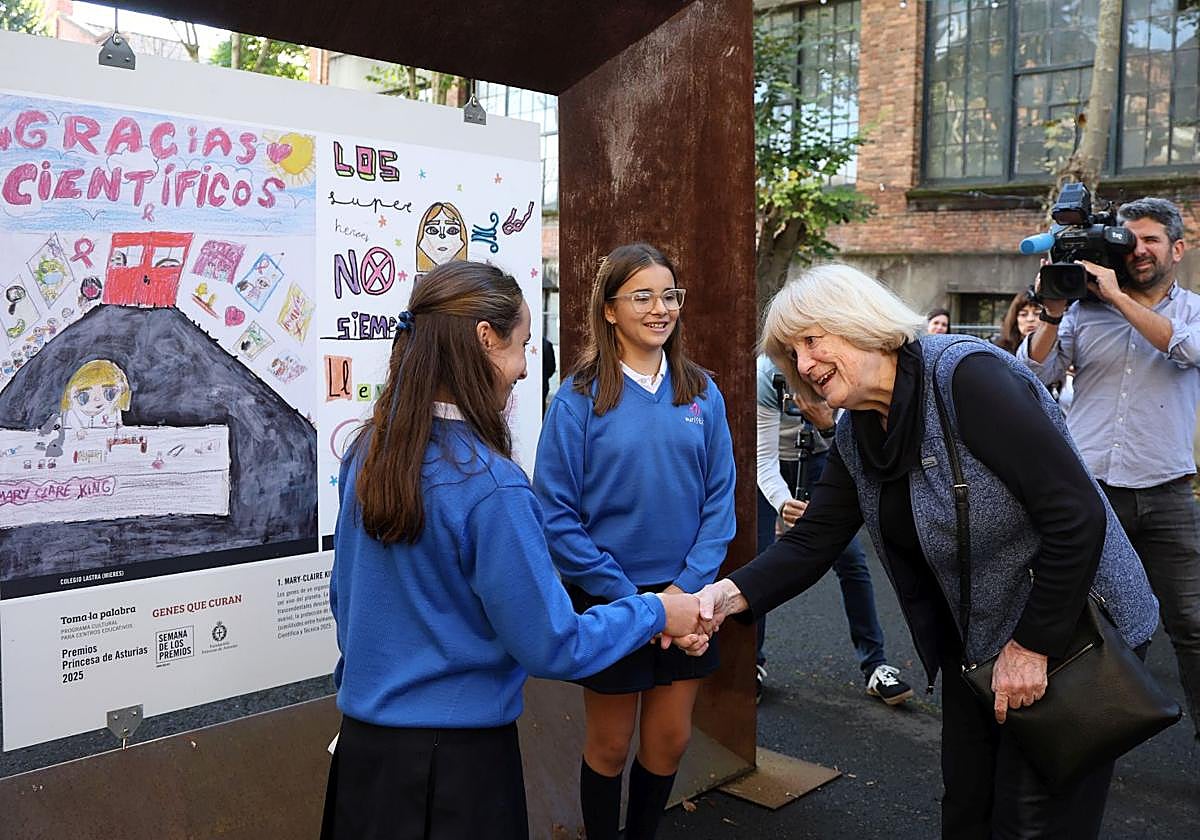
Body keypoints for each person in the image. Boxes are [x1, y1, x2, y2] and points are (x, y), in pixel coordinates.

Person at [698, 264, 1159, 837]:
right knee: (966, 809)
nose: (806, 365)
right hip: (978, 642)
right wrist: (722, 598)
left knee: (1033, 819)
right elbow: (814, 541)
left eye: (813, 341)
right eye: (792, 354)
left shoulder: (968, 377)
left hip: (1074, 630)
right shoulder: (857, 430)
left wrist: (1034, 646)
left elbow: (1076, 515)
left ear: (860, 323)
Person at [321, 260, 708, 840]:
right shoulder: (492, 486)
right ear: (485, 340)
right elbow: (554, 644)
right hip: (457, 772)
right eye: (523, 346)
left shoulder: (369, 450)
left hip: (363, 755)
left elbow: (344, 599)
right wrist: (657, 610)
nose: (525, 370)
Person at [533, 243, 736, 840]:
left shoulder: (703, 392)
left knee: (669, 743)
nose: (660, 308)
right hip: (612, 600)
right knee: (610, 744)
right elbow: (556, 517)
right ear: (609, 309)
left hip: (689, 596)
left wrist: (683, 594)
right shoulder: (575, 400)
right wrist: (642, 609)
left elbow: (720, 503)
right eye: (642, 296)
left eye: (670, 295)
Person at [1018, 196, 1200, 744]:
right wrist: (1052, 309)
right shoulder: (1081, 309)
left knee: (1191, 627)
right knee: (1088, 621)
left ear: (1178, 248)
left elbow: (1185, 348)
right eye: (1129, 239)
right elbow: (1032, 370)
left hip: (1168, 493)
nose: (1137, 250)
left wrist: (1117, 298)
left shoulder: (1191, 308)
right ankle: (1081, 737)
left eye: (1149, 240)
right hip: (1092, 491)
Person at [755, 352, 912, 706]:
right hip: (771, 465)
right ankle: (751, 662)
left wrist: (827, 423)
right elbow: (762, 459)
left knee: (851, 561)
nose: (806, 367)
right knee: (757, 556)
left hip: (824, 456)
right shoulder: (767, 373)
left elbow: (853, 448)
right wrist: (782, 502)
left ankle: (875, 665)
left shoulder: (840, 366)